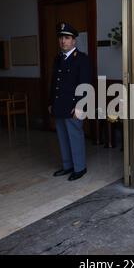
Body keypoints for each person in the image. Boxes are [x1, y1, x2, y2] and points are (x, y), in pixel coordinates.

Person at [49, 22, 92, 181]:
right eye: (61, 38)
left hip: (74, 106)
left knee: (75, 137)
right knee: (62, 137)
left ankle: (79, 168)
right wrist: (50, 102)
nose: (63, 41)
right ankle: (67, 166)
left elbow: (86, 84)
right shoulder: (58, 58)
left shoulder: (81, 59)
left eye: (67, 38)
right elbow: (54, 82)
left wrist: (81, 105)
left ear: (74, 41)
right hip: (59, 105)